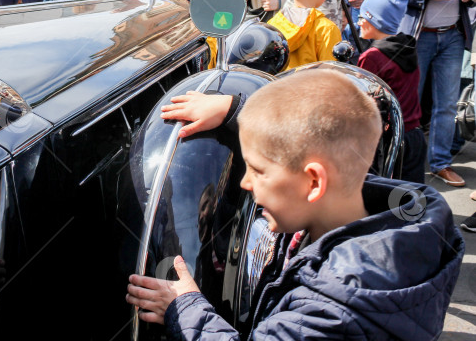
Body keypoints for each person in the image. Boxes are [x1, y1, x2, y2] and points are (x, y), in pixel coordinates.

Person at [125, 70, 464, 341]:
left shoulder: (329, 310)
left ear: (314, 182)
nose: (245, 182)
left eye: (257, 171)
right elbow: (318, 133)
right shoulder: (382, 213)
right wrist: (236, 112)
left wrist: (185, 309)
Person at [381, 0, 473, 187]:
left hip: (453, 36)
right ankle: (403, 164)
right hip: (415, 37)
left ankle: (441, 164)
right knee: (408, 105)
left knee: (446, 105)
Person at [357, 0, 426, 184]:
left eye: (363, 16)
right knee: (411, 198)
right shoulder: (408, 46)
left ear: (375, 20)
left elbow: (365, 103)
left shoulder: (371, 57)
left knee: (386, 199)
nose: (359, 21)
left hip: (389, 140)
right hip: (414, 135)